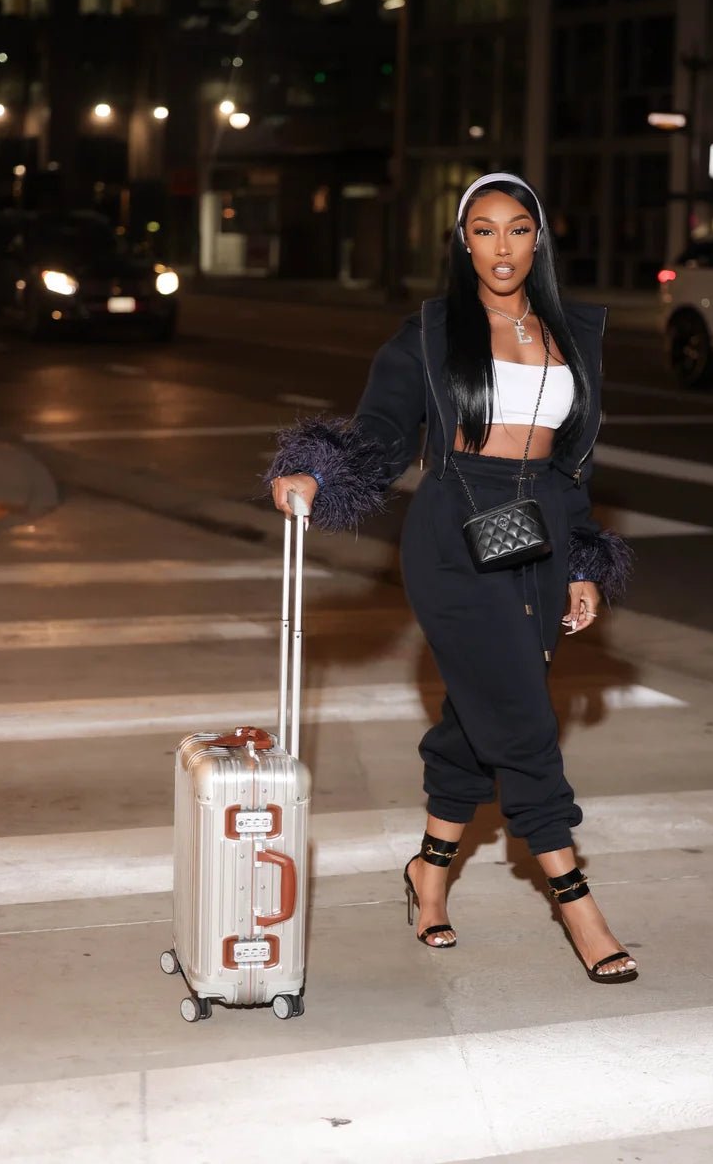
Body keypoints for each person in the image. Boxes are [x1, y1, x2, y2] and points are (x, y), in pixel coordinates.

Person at [268, 172, 636, 984]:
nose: (502, 247)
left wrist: (583, 561)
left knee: (478, 714)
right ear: (462, 242)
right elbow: (382, 430)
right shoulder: (433, 331)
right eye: (484, 230)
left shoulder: (573, 331)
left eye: (517, 229)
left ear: (539, 239)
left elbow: (573, 465)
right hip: (454, 533)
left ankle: (429, 872)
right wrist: (315, 474)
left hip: (541, 531)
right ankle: (578, 904)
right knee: (524, 719)